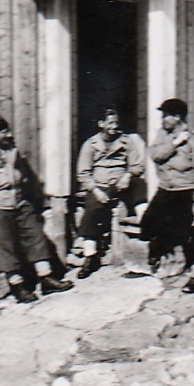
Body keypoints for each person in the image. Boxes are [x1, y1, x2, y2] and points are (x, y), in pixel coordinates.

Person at [0, 115, 74, 303]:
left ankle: (46, 279)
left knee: (36, 235)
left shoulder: (11, 148)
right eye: (3, 132)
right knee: (5, 245)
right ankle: (18, 287)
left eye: (8, 130)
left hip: (19, 202)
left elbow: (23, 172)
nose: (9, 134)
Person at [139, 98, 194, 293]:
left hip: (186, 190)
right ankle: (168, 255)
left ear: (177, 117)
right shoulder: (163, 135)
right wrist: (175, 143)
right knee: (148, 223)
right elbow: (155, 155)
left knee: (192, 231)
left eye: (166, 116)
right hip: (166, 189)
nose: (163, 120)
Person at [76, 109, 145, 279]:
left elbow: (138, 165)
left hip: (122, 183)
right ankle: (90, 257)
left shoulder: (127, 141)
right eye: (110, 123)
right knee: (91, 209)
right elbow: (83, 173)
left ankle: (146, 222)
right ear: (101, 124)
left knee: (140, 184)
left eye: (116, 122)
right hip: (100, 186)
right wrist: (95, 190)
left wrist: (128, 175)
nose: (114, 126)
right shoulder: (90, 144)